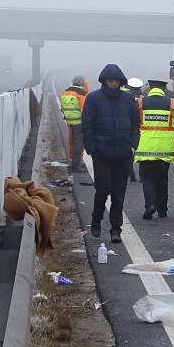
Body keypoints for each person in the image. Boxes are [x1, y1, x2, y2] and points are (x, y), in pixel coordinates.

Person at [80, 64, 140, 243]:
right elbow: (87, 126)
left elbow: (135, 124)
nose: (113, 83)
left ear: (120, 82)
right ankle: (96, 219)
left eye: (116, 80)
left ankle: (116, 229)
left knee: (119, 193)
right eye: (110, 80)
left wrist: (133, 145)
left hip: (123, 152)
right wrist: (93, 150)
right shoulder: (94, 99)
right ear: (105, 81)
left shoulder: (128, 100)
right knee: (103, 190)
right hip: (102, 153)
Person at [135, 79, 174, 219]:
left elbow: (133, 121)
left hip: (145, 146)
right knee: (162, 178)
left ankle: (150, 205)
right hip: (165, 147)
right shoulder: (172, 103)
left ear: (150, 88)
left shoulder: (140, 103)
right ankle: (162, 209)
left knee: (148, 177)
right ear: (164, 89)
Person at [60, 75, 88, 171]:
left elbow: (62, 107)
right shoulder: (80, 94)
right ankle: (76, 165)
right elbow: (84, 109)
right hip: (79, 122)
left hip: (69, 121)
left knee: (71, 142)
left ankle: (73, 161)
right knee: (78, 144)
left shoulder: (65, 93)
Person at [125, 78, 144, 182]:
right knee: (141, 153)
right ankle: (142, 176)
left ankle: (130, 174)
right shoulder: (144, 98)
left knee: (129, 153)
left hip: (130, 127)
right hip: (143, 128)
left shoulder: (126, 97)